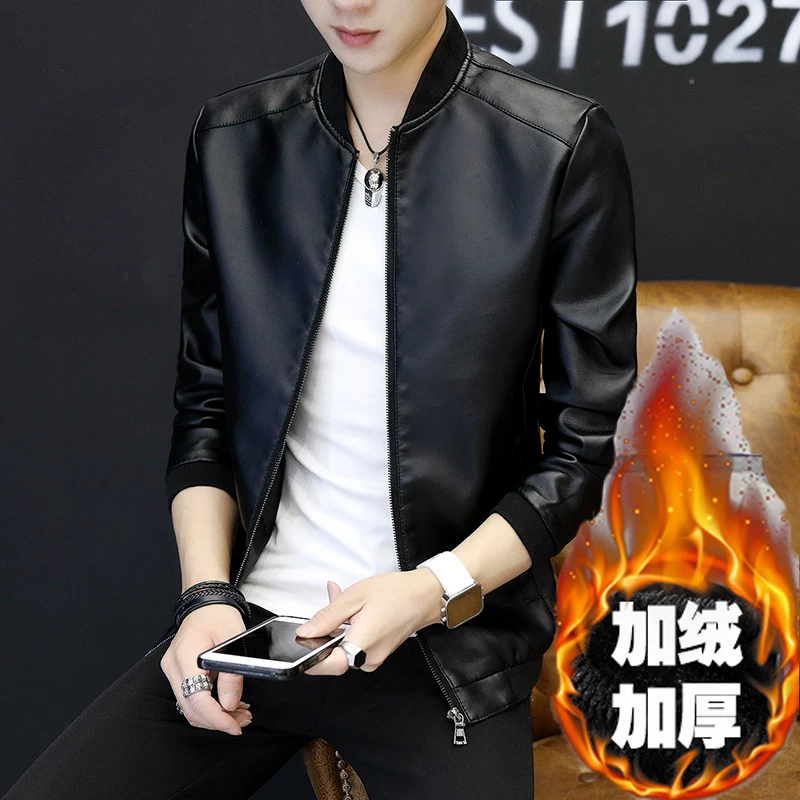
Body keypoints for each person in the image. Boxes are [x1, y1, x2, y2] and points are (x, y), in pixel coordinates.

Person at [5, 1, 638, 798]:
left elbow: (579, 452)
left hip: (441, 648)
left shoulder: (556, 143)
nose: (348, 3)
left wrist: (432, 588)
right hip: (251, 633)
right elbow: (206, 406)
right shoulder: (236, 139)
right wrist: (204, 598)